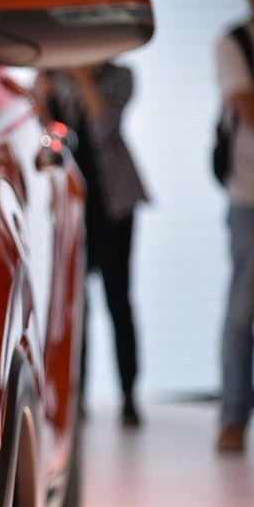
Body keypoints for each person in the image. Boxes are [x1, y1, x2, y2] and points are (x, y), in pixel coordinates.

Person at [36, 61, 149, 427]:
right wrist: (42, 101)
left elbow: (102, 129)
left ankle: (129, 395)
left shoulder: (119, 76)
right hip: (72, 208)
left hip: (113, 206)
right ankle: (76, 398)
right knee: (75, 306)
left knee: (119, 302)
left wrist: (84, 78)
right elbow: (50, 142)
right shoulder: (52, 78)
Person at [215, 0, 254, 453]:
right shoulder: (233, 42)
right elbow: (246, 105)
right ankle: (233, 415)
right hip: (249, 193)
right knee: (242, 311)